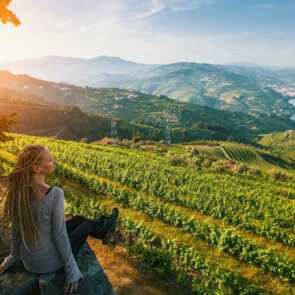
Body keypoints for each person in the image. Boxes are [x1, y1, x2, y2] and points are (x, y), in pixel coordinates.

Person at [0, 144, 119, 294]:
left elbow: (17, 231)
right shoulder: (54, 193)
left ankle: (104, 228)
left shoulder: (17, 193)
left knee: (78, 219)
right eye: (49, 160)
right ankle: (103, 228)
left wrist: (13, 256)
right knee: (86, 225)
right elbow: (59, 235)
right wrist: (72, 270)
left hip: (29, 262)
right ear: (37, 168)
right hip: (49, 263)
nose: (53, 161)